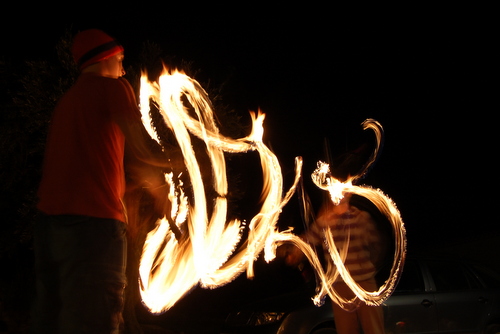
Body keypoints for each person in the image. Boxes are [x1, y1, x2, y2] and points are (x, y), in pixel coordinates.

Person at [32, 29, 181, 333]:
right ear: (107, 58)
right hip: (95, 228)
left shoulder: (67, 103)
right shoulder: (114, 89)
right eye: (121, 59)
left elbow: (88, 165)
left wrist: (127, 202)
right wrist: (167, 184)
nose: (124, 69)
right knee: (98, 321)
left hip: (49, 229)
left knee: (54, 321)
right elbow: (139, 154)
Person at [284, 193, 390, 334]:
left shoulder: (362, 218)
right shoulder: (325, 222)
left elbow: (377, 245)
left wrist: (367, 267)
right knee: (346, 330)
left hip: (364, 284)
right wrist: (293, 254)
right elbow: (307, 241)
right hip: (340, 286)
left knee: (374, 329)